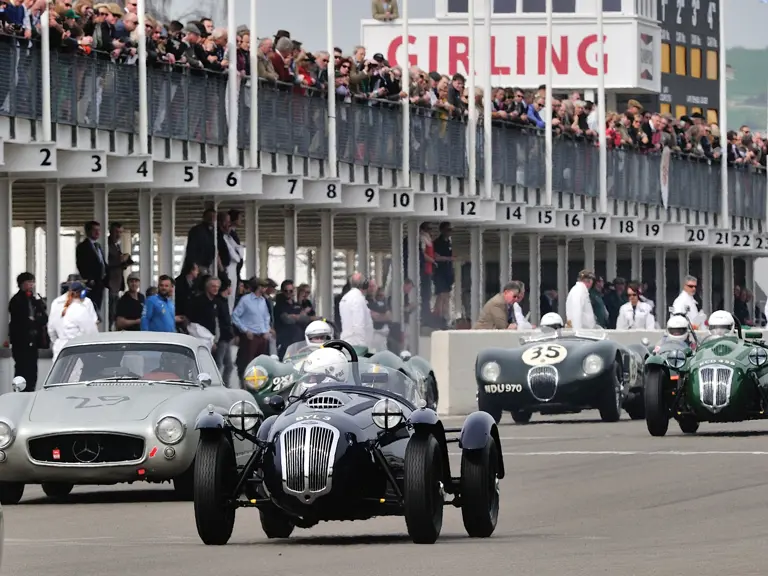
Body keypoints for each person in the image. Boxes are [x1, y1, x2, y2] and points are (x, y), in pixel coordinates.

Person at [8, 272, 48, 390]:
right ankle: (20, 390)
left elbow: (44, 318)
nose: (31, 285)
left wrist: (35, 319)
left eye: (32, 282)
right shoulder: (16, 300)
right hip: (21, 342)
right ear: (21, 284)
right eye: (28, 282)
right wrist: (32, 320)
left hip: (33, 341)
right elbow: (21, 320)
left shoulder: (35, 300)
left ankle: (30, 389)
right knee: (21, 369)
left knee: (32, 370)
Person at [48, 281, 99, 361]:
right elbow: (91, 332)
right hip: (77, 349)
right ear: (80, 293)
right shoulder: (81, 308)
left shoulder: (56, 303)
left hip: (60, 349)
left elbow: (51, 329)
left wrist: (58, 341)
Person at [339, 272, 373, 347]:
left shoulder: (345, 298)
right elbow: (359, 324)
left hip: (348, 341)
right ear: (365, 284)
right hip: (357, 344)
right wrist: (362, 346)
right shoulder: (358, 299)